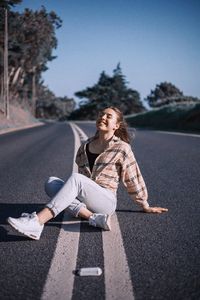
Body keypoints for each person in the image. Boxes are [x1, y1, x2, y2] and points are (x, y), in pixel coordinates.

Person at [7, 107, 168, 240]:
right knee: (51, 182)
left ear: (116, 126)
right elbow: (80, 182)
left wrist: (144, 205)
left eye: (108, 116)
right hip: (87, 199)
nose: (103, 117)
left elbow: (133, 178)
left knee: (76, 179)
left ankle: (37, 222)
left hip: (106, 201)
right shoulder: (85, 146)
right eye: (101, 114)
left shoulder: (122, 148)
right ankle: (92, 218)